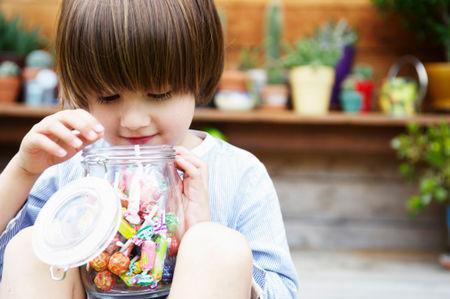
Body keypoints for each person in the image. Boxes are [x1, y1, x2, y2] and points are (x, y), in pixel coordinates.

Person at [0, 0, 299, 298]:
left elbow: (282, 292)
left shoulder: (239, 174)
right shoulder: (67, 168)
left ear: (198, 77)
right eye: (108, 96)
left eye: (159, 94)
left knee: (217, 245)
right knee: (30, 248)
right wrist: (22, 172)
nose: (133, 121)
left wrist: (201, 239)